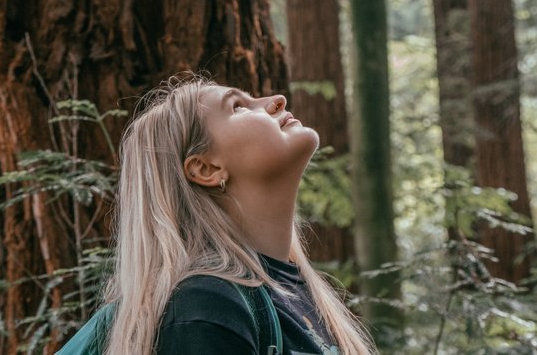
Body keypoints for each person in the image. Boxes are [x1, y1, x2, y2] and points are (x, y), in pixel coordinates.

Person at [99, 73, 375, 354]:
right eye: (238, 106)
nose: (278, 101)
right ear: (207, 169)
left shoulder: (299, 292)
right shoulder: (206, 307)